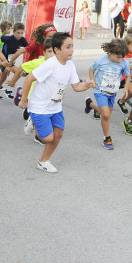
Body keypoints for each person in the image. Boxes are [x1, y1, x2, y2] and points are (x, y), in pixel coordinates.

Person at [18, 32, 94, 173]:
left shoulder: (70, 65)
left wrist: (87, 86)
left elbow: (76, 86)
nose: (72, 50)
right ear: (57, 50)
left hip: (55, 105)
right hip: (39, 106)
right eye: (68, 47)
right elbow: (29, 78)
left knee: (58, 134)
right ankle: (32, 120)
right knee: (47, 138)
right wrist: (24, 100)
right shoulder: (50, 65)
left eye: (72, 46)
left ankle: (43, 161)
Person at [85, 39, 131, 150]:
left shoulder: (124, 62)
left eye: (122, 57)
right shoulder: (100, 61)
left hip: (112, 92)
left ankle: (90, 104)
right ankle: (107, 138)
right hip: (100, 91)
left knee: (106, 115)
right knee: (105, 114)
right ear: (111, 52)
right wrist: (92, 80)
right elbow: (91, 69)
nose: (120, 60)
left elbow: (128, 75)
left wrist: (126, 87)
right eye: (118, 57)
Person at [0, 22, 29, 99]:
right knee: (16, 73)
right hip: (4, 60)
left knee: (3, 78)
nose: (20, 35)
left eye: (21, 33)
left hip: (11, 61)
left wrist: (24, 49)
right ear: (13, 32)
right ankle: (6, 89)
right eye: (18, 33)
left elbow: (28, 47)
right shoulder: (9, 38)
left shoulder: (22, 39)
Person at [114, 34, 132, 113]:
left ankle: (121, 102)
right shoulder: (121, 54)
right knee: (107, 97)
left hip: (125, 78)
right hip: (115, 78)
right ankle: (95, 107)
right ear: (126, 45)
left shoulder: (131, 52)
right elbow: (127, 67)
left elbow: (130, 60)